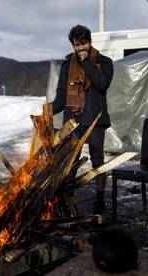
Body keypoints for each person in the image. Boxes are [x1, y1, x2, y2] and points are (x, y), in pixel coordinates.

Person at [52, 25, 114, 213]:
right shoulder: (66, 65)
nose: (81, 48)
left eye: (84, 43)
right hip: (73, 121)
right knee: (70, 163)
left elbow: (102, 84)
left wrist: (87, 62)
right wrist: (48, 111)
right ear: (73, 45)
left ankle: (100, 199)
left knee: (97, 161)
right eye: (77, 45)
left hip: (95, 120)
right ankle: (68, 199)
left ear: (90, 41)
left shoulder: (104, 62)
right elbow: (62, 97)